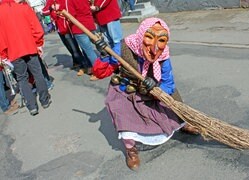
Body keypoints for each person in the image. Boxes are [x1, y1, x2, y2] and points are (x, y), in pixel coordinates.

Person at [92, 17, 199, 170]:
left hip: (151, 91)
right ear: (141, 35)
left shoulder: (163, 57)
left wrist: (157, 88)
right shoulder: (122, 48)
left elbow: (169, 84)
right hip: (125, 90)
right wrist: (103, 55)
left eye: (161, 40)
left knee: (174, 103)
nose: (154, 48)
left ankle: (182, 124)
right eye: (149, 38)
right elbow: (101, 72)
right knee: (123, 117)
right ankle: (131, 150)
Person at [0, 0, 52, 116]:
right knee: (38, 74)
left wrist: (3, 55)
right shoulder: (23, 8)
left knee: (22, 79)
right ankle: (44, 100)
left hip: (13, 51)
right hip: (30, 46)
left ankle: (32, 106)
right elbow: (36, 27)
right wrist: (38, 44)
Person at [42, 0, 91, 76]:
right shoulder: (50, 1)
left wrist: (59, 8)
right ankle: (79, 63)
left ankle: (85, 66)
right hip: (60, 28)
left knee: (76, 49)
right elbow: (45, 12)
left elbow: (69, 9)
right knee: (70, 48)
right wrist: (51, 7)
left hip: (67, 27)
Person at [64, 0, 99, 80]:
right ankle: (94, 67)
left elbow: (71, 15)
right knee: (94, 47)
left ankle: (97, 71)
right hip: (89, 23)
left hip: (79, 27)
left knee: (88, 51)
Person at [90, 0, 123, 80]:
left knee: (117, 41)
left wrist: (97, 7)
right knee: (110, 42)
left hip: (110, 14)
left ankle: (118, 63)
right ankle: (116, 66)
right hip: (101, 17)